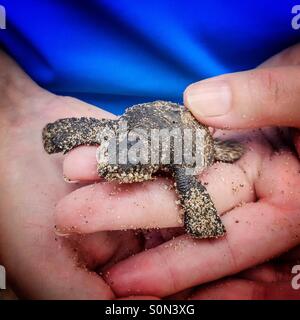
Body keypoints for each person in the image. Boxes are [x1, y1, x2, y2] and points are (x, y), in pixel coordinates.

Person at [0, 1, 299, 299]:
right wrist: (13, 109)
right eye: (112, 159)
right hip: (66, 89)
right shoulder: (117, 131)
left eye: (123, 167)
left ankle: (207, 219)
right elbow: (97, 131)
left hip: (217, 117)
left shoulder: (177, 163)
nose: (110, 170)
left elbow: (186, 176)